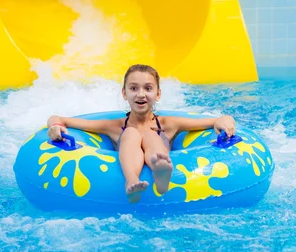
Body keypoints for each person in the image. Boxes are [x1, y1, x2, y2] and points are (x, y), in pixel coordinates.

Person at [46, 64, 236, 204]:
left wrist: (225, 120)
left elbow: (216, 119)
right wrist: (55, 127)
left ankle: (160, 169)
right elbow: (59, 118)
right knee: (131, 133)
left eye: (148, 88)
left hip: (158, 151)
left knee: (151, 135)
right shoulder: (114, 126)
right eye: (134, 88)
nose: (141, 94)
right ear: (124, 93)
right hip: (129, 151)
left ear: (158, 94)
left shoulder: (169, 124)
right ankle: (132, 180)